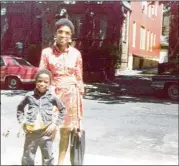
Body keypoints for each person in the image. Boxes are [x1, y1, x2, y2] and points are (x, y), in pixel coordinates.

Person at [39, 18, 84, 165]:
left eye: (67, 33)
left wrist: (79, 97)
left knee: (65, 132)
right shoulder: (47, 53)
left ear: (71, 36)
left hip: (71, 96)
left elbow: (79, 77)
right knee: (49, 132)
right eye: (60, 32)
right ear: (55, 33)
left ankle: (60, 163)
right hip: (52, 96)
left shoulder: (76, 54)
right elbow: (42, 76)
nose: (63, 35)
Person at [17, 69, 67, 165]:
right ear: (36, 82)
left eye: (45, 82)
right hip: (31, 133)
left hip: (46, 133)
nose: (42, 84)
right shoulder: (29, 96)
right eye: (39, 81)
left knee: (48, 158)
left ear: (49, 84)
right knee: (28, 158)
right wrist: (22, 122)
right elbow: (20, 108)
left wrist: (55, 124)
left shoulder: (52, 97)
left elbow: (63, 110)